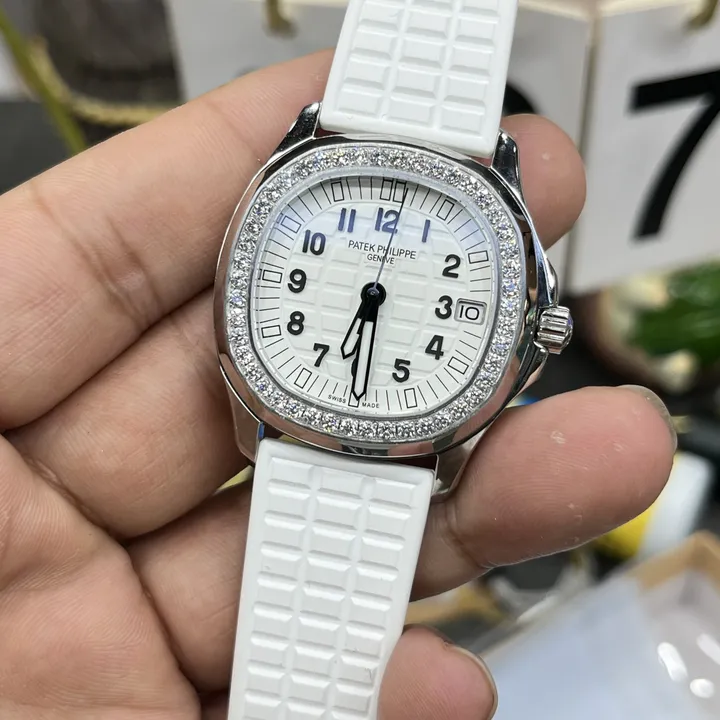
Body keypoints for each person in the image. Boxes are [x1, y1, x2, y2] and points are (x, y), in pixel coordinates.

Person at [0, 52, 676, 719]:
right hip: (289, 415)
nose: (372, 292)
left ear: (539, 328)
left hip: (381, 438)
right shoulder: (322, 164)